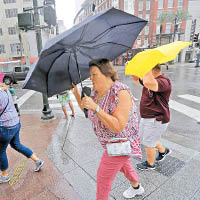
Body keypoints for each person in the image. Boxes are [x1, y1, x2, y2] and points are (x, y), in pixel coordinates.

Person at [72, 58, 144, 200]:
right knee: (125, 166)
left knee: (103, 179)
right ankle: (137, 187)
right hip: (109, 143)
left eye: (94, 74)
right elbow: (87, 110)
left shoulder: (120, 92)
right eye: (90, 75)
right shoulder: (96, 92)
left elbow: (118, 126)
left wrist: (96, 107)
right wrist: (75, 93)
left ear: (106, 73)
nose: (91, 78)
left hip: (121, 142)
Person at [0, 83, 44, 184]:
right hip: (15, 122)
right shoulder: (5, 90)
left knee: (1, 151)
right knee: (16, 145)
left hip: (5, 127)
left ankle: (4, 175)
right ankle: (37, 161)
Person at [131, 64, 172, 170]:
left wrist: (145, 69)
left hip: (157, 119)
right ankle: (163, 151)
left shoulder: (163, 81)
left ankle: (150, 164)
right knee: (146, 138)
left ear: (152, 70)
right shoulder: (149, 80)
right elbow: (136, 79)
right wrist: (132, 68)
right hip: (148, 117)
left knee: (148, 142)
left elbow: (149, 83)